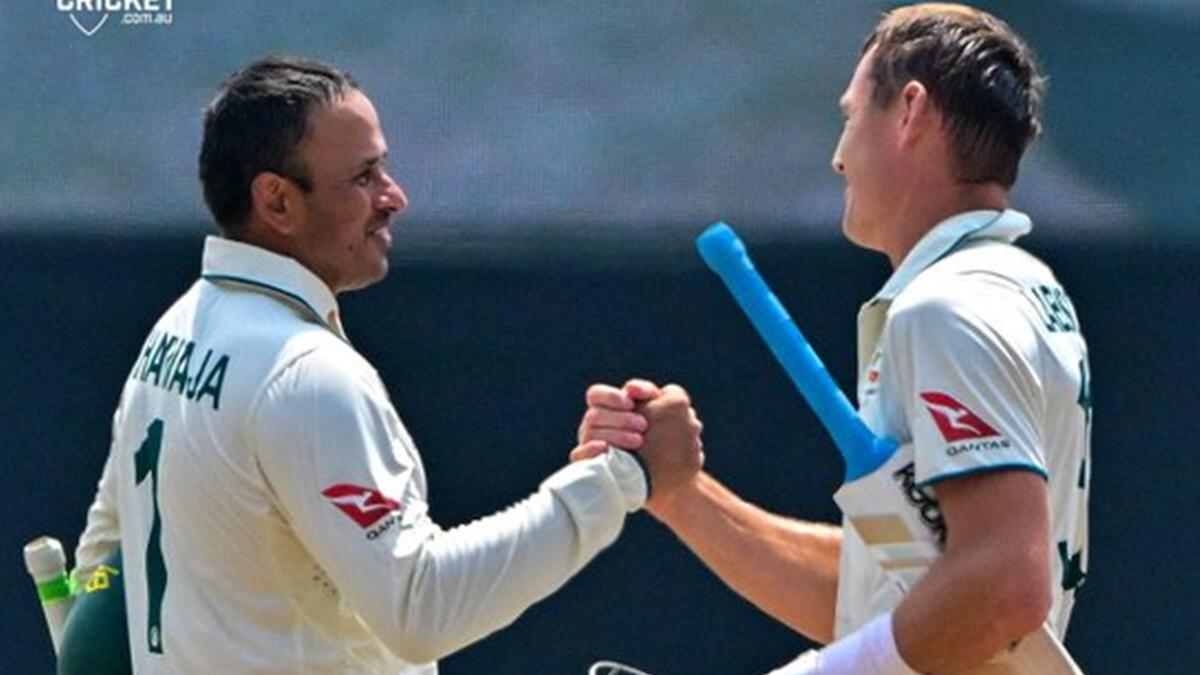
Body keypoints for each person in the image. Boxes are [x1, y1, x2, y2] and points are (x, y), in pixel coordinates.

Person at [71, 56, 704, 674]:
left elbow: (101, 558)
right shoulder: (306, 377)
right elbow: (420, 609)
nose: (394, 197)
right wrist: (622, 479)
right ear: (278, 202)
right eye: (364, 176)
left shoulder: (175, 330)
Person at [579, 4, 1090, 674]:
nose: (838, 154)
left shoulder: (948, 307)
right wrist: (683, 495)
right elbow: (905, 596)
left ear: (910, 111)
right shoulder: (1013, 288)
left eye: (851, 116)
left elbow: (1003, 585)